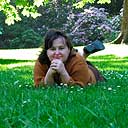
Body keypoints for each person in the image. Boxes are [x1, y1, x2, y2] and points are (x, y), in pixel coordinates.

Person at [34, 29, 105, 87]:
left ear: (69, 49)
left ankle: (84, 55)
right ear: (46, 51)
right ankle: (84, 54)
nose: (57, 53)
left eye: (61, 48)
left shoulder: (78, 61)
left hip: (91, 73)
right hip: (73, 60)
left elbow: (77, 88)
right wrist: (50, 73)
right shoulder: (41, 61)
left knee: (79, 60)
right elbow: (40, 87)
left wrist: (63, 72)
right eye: (52, 49)